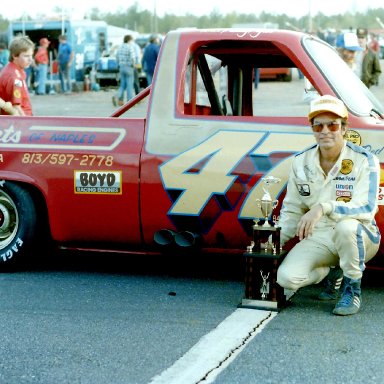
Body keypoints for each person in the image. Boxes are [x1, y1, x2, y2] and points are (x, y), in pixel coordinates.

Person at [276, 94, 381, 316]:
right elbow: (293, 209)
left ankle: (352, 290)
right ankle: (329, 271)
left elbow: (367, 207)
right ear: (312, 129)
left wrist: (324, 207)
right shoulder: (300, 161)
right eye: (318, 125)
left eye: (332, 125)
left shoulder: (365, 159)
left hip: (360, 235)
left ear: (343, 128)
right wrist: (273, 241)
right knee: (286, 279)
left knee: (346, 228)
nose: (325, 131)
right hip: (320, 236)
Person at [0, 36, 35, 115]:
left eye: (31, 55)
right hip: (19, 121)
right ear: (14, 56)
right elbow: (16, 107)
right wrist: (25, 123)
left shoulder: (10, 69)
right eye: (26, 56)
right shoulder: (15, 77)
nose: (30, 59)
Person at [114, 35, 138, 106]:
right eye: (132, 40)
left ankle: (117, 97)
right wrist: (134, 65)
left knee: (122, 85)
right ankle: (130, 102)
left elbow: (117, 57)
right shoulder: (130, 47)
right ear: (129, 40)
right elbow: (133, 58)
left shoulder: (120, 47)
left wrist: (119, 64)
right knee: (129, 85)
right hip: (129, 67)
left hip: (121, 67)